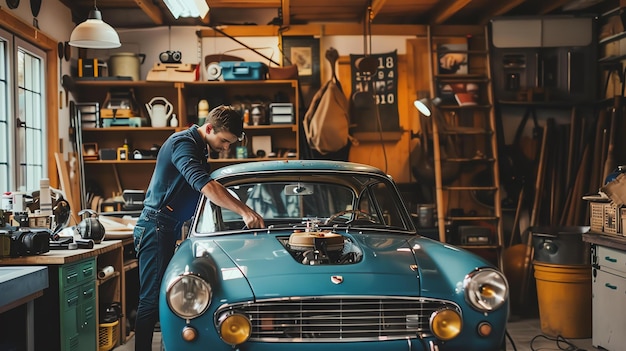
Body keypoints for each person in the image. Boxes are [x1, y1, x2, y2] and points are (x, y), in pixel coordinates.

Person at [133, 105, 265, 351]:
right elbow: (205, 185)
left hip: (168, 227)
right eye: (224, 141)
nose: (226, 147)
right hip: (155, 226)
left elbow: (208, 191)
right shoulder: (182, 144)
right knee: (150, 301)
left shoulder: (199, 147)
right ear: (209, 128)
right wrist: (246, 212)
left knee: (169, 297)